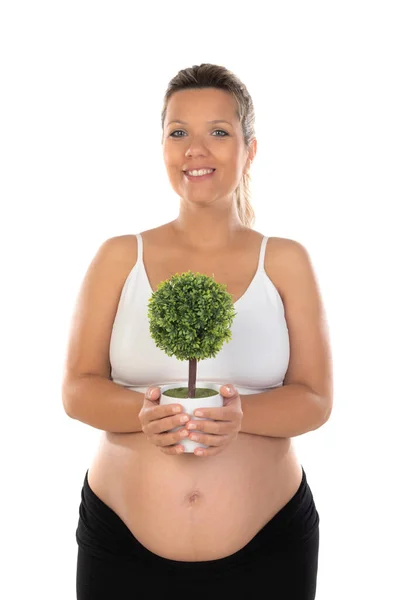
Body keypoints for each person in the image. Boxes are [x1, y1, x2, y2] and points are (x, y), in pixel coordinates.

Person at [62, 63, 333, 599]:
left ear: (249, 150)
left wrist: (238, 419)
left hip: (270, 545)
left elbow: (316, 399)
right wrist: (141, 415)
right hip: (121, 543)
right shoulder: (120, 256)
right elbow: (77, 388)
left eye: (219, 132)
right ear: (162, 146)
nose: (195, 149)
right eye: (178, 132)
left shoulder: (285, 260)